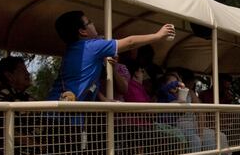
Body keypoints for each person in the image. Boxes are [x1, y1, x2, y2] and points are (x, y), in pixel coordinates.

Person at [47, 11, 175, 101]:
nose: (93, 24)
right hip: (63, 116)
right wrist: (158, 35)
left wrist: (103, 99)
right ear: (82, 31)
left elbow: (85, 84)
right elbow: (130, 43)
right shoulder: (90, 46)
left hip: (62, 112)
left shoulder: (74, 51)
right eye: (89, 22)